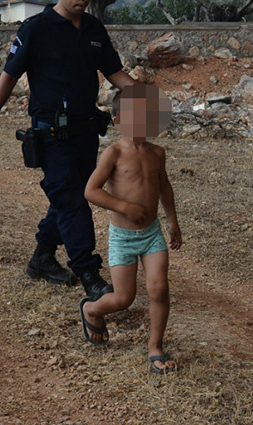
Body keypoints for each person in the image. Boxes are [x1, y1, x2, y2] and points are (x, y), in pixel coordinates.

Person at [0, 0, 135, 301]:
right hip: (51, 134)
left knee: (68, 197)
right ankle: (89, 273)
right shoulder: (36, 29)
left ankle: (43, 258)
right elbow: (8, 78)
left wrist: (146, 95)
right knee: (72, 198)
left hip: (86, 132)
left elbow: (115, 74)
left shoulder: (93, 30)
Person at [80, 84, 182, 373]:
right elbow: (91, 190)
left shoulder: (157, 153)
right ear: (117, 120)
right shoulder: (113, 154)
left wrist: (173, 221)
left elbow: (164, 187)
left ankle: (155, 347)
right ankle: (92, 309)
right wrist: (124, 207)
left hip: (151, 235)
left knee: (159, 288)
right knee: (124, 299)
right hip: (123, 237)